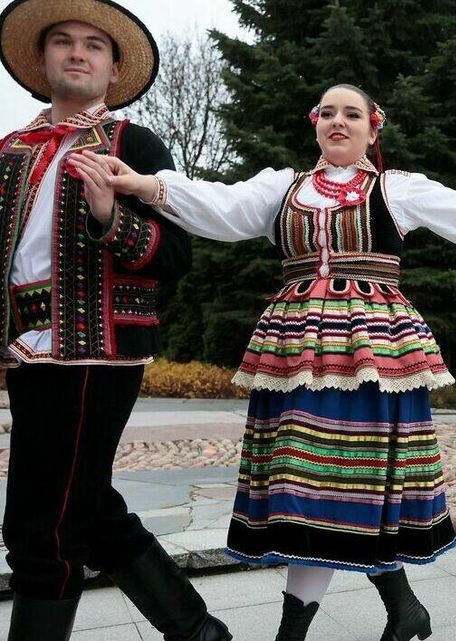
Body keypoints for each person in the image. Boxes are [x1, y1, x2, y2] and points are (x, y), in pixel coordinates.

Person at [73, 84, 456, 641]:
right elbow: (216, 203)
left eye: (352, 114)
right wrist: (140, 184)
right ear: (315, 125)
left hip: (370, 354)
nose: (338, 122)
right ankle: (402, 610)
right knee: (315, 487)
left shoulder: (396, 191)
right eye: (328, 113)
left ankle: (319, 630)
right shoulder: (282, 189)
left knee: (335, 487)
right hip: (296, 352)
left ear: (374, 130)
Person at [0, 2, 231, 639]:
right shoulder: (11, 152)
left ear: (111, 67)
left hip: (98, 352)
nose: (78, 52)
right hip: (29, 352)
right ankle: (197, 631)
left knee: (41, 526)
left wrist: (111, 216)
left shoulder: (134, 143)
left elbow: (176, 256)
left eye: (94, 45)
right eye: (64, 42)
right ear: (41, 61)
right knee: (87, 507)